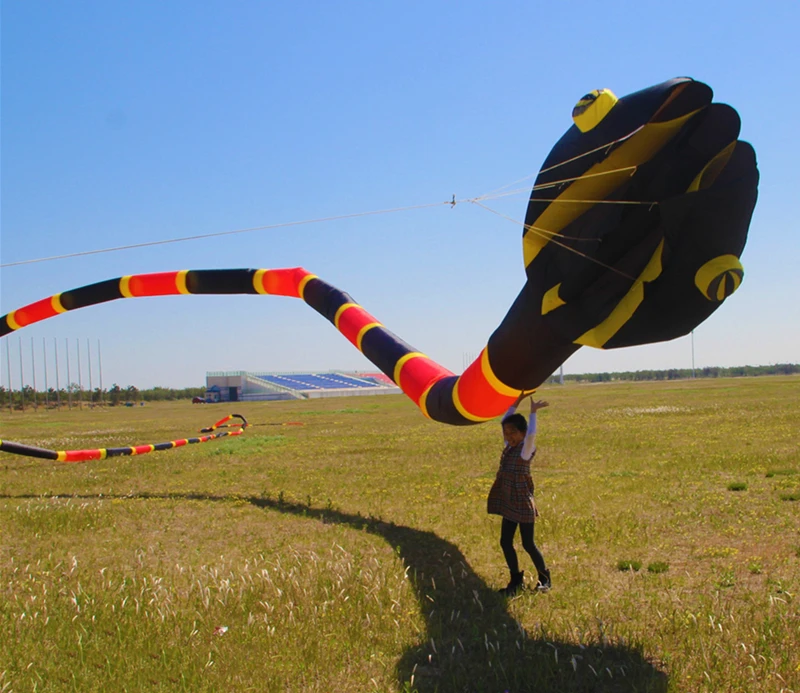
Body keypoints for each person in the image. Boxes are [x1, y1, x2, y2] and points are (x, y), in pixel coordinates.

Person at [487, 392, 551, 596]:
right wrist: (516, 402)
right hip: (508, 501)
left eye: (513, 433)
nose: (509, 437)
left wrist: (533, 413)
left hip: (522, 503)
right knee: (505, 542)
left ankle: (545, 578)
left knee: (528, 544)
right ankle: (516, 580)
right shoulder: (509, 447)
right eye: (506, 434)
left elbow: (532, 434)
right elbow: (504, 421)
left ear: (522, 433)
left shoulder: (525, 449)